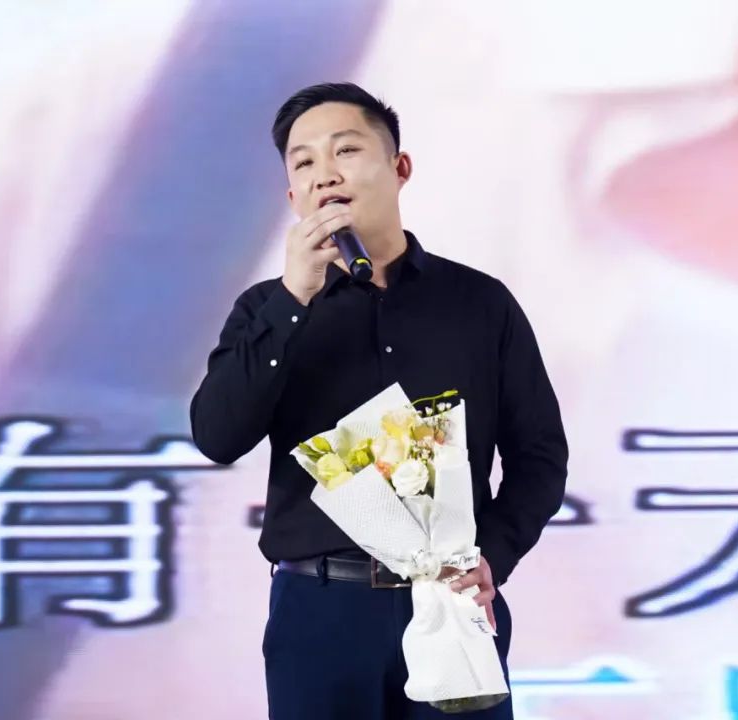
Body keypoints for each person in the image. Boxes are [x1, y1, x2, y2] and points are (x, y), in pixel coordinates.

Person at [189, 82, 568, 719]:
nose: (324, 173)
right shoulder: (266, 309)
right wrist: (293, 299)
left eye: (346, 150)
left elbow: (540, 456)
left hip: (452, 602)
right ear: (293, 197)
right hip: (321, 609)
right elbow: (217, 436)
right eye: (303, 163)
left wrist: (494, 556)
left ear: (400, 168)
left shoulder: (479, 303)